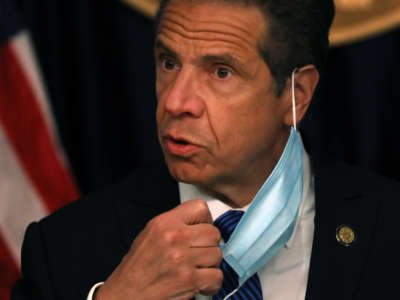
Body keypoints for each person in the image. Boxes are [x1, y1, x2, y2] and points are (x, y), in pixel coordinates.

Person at [11, 0, 400, 299]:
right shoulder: (62, 246)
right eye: (168, 63)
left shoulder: (389, 229)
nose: (176, 102)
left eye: (220, 72)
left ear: (296, 95)